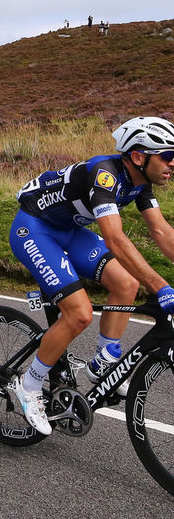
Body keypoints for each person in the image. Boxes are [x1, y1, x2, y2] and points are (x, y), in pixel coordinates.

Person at [9, 116, 174, 435]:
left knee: (127, 283)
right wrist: (162, 286)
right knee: (79, 314)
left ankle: (102, 365)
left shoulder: (139, 181)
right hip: (35, 230)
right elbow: (114, 238)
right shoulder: (106, 174)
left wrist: (155, 283)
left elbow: (162, 231)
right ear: (139, 157)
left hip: (69, 231)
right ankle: (29, 386)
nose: (173, 163)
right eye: (167, 155)